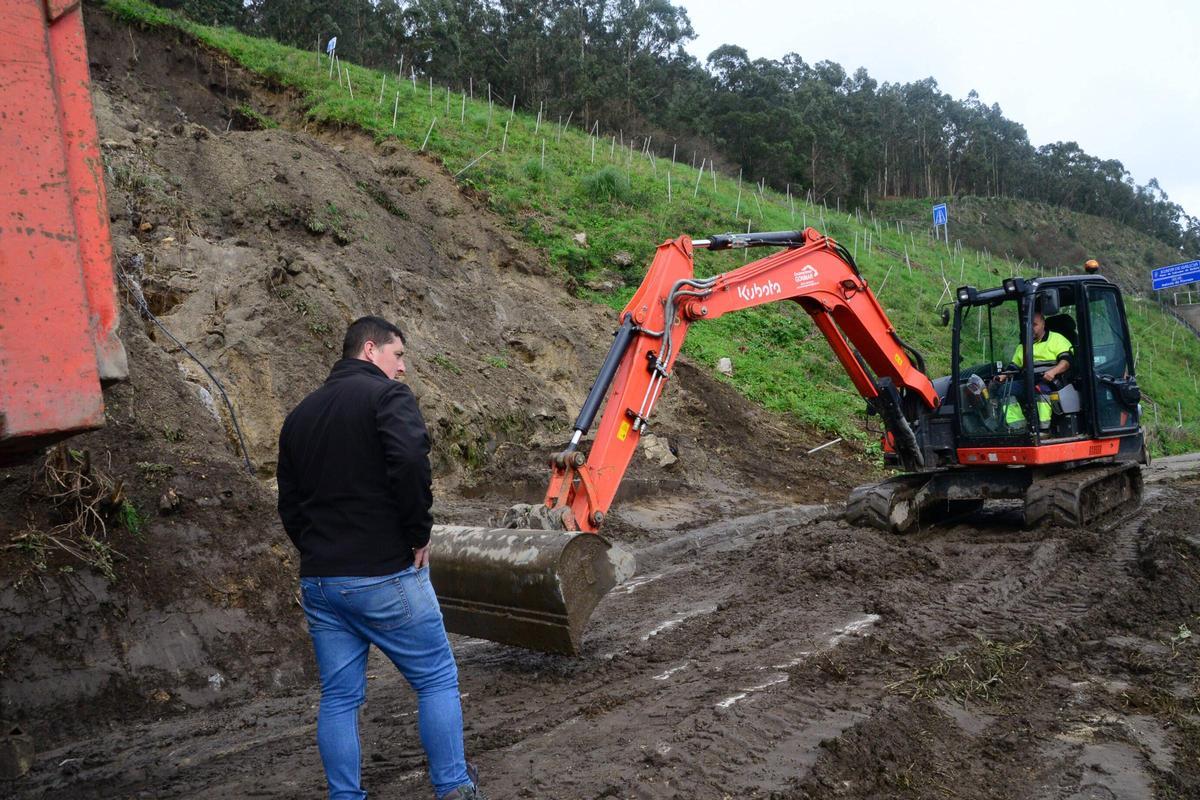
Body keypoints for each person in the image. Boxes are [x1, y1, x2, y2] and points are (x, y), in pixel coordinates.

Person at [277, 316, 483, 800]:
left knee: (340, 698)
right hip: (384, 573)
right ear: (370, 350)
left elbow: (289, 501)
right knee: (435, 677)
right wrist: (417, 535)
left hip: (322, 582)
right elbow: (410, 460)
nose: (404, 368)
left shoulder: (299, 416)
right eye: (398, 355)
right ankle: (453, 788)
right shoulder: (387, 397)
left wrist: (316, 552)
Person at [994, 310, 1073, 429]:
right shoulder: (1024, 345)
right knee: (1004, 390)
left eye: (1035, 325)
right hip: (1029, 381)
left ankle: (1043, 428)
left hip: (1051, 380)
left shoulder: (1057, 339)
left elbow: (1066, 362)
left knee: (1040, 390)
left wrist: (1053, 371)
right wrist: (1003, 376)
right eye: (1029, 325)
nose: (1031, 328)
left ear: (1043, 324)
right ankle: (1018, 427)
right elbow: (1014, 365)